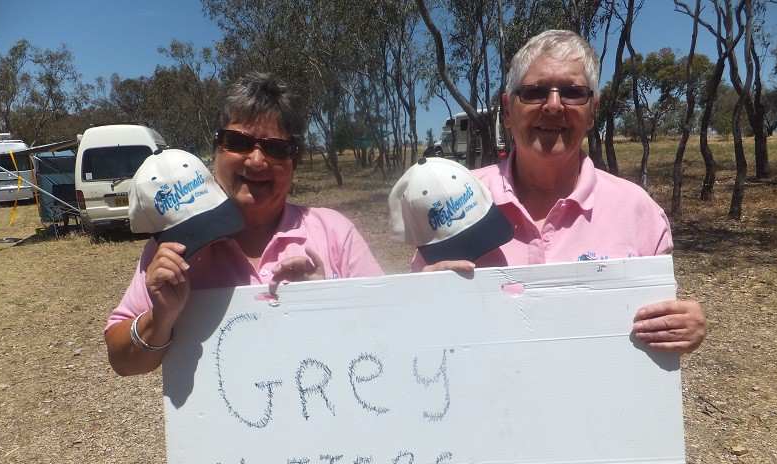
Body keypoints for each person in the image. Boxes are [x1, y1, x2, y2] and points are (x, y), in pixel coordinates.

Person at [415, 30, 706, 354]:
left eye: (572, 92)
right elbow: (411, 329)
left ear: (592, 112)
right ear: (507, 111)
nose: (554, 106)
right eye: (535, 92)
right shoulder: (453, 201)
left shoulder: (638, 212)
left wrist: (682, 325)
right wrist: (417, 298)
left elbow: (657, 324)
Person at [105, 72, 383, 376]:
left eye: (276, 148)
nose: (256, 161)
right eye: (238, 142)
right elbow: (121, 362)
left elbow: (389, 333)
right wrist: (159, 320)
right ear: (215, 152)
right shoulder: (173, 247)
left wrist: (328, 301)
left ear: (294, 161)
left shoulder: (335, 233)